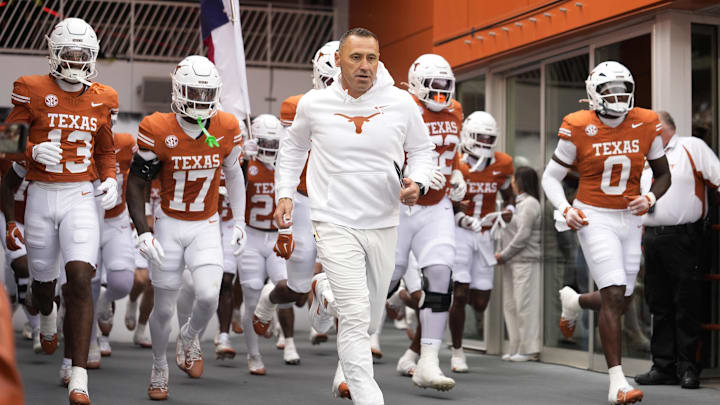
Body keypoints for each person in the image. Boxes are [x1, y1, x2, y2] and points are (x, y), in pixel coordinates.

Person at [274, 27, 434, 405]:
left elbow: (424, 151)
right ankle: (368, 395)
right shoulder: (314, 104)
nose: (364, 66)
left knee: (370, 317)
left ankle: (324, 294)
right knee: (357, 313)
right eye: (356, 57)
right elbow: (294, 148)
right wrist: (284, 193)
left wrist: (420, 183)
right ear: (339, 61)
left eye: (372, 58)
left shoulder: (401, 103)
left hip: (383, 220)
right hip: (333, 218)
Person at [3, 17, 119, 404]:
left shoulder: (104, 96)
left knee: (81, 278)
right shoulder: (31, 88)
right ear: (53, 54)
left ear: (93, 56)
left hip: (80, 196)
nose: (74, 61)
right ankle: (47, 315)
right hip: (40, 194)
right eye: (67, 53)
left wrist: (109, 176)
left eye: (81, 54)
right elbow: (7, 144)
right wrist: (31, 150)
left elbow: (104, 150)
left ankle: (78, 375)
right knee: (42, 287)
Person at [541, 61, 671, 404]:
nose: (616, 97)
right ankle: (618, 382)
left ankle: (575, 302)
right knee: (614, 294)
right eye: (609, 90)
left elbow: (663, 173)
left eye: (622, 90)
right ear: (593, 94)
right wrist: (566, 209)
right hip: (594, 215)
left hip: (630, 217)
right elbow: (550, 177)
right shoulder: (579, 125)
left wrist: (650, 196)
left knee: (624, 298)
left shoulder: (645, 121)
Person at [126, 55, 247, 400]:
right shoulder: (157, 128)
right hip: (168, 223)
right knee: (163, 307)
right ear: (178, 90)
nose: (200, 99)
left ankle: (190, 335)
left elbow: (235, 174)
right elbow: (136, 183)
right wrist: (142, 230)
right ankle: (159, 365)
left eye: (206, 91)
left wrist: (238, 221)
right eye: (193, 90)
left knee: (209, 294)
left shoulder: (224, 126)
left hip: (206, 223)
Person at [383, 53, 467, 389]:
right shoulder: (402, 109)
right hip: (401, 207)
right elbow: (382, 154)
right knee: (386, 279)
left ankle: (428, 362)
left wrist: (457, 172)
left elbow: (451, 150)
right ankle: (351, 353)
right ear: (417, 86)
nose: (440, 95)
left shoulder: (456, 111)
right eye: (433, 88)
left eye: (445, 88)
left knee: (440, 277)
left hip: (437, 208)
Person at [252, 40, 339, 348]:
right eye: (332, 79)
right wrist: (285, 212)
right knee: (297, 290)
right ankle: (268, 298)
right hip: (304, 199)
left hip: (341, 203)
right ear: (318, 76)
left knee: (347, 278)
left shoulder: (368, 109)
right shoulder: (298, 106)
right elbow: (287, 160)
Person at [635, 110, 720, 389]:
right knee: (658, 304)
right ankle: (663, 366)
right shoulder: (645, 158)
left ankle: (687, 368)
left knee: (687, 303)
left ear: (659, 128)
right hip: (652, 238)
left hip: (684, 237)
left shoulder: (690, 146)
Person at [447, 111, 514, 373]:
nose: (485, 142)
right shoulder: (457, 164)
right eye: (480, 137)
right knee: (460, 294)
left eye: (490, 137)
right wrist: (460, 216)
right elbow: (444, 202)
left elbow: (509, 195)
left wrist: (510, 211)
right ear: (468, 136)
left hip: (485, 235)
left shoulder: (502, 163)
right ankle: (457, 351)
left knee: (481, 302)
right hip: (459, 233)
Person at [239, 114, 299, 374]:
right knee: (251, 297)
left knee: (287, 289)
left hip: (276, 236)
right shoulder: (247, 165)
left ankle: (288, 340)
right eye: (265, 142)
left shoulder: (286, 166)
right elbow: (233, 187)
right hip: (252, 237)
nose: (270, 149)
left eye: (275, 143)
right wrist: (241, 161)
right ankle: (253, 355)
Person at [496, 166, 541, 362]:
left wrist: (503, 255)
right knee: (511, 304)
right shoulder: (520, 204)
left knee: (525, 305)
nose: (512, 183)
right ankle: (515, 345)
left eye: (515, 180)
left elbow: (523, 235)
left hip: (525, 261)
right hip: (512, 261)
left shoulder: (530, 204)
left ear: (521, 181)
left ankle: (529, 349)